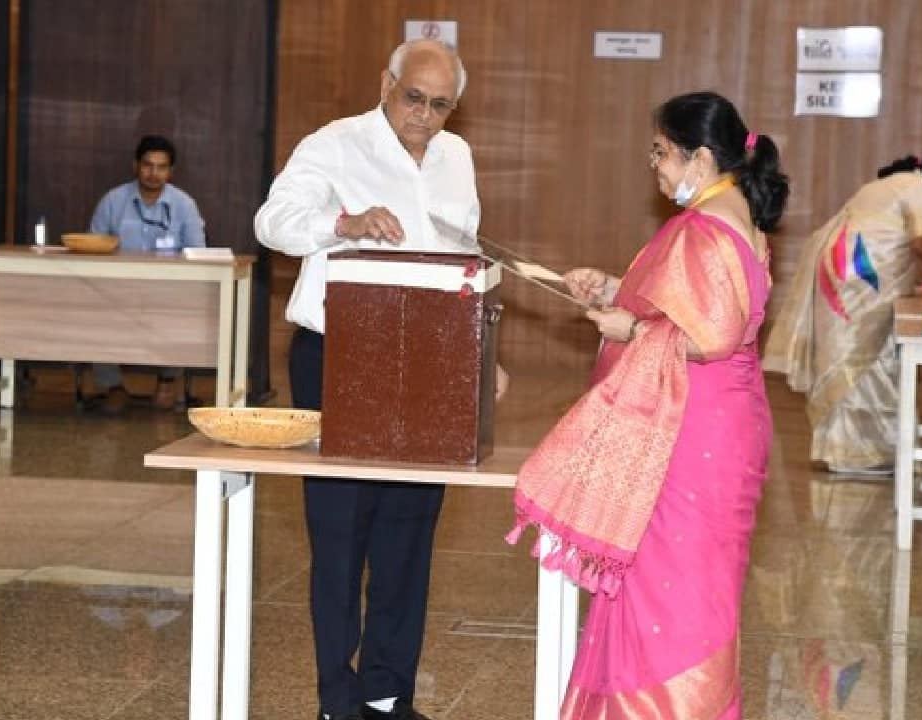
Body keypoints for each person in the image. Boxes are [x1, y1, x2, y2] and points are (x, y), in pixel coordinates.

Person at [507, 91, 788, 720]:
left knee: (671, 592)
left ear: (701, 157)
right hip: (720, 419)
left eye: (661, 153)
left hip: (693, 430)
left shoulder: (707, 228)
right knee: (687, 588)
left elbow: (712, 336)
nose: (653, 166)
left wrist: (630, 330)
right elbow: (692, 307)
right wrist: (615, 288)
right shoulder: (736, 216)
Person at [254, 40, 506, 720]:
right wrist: (345, 223)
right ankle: (337, 701)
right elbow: (271, 222)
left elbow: (465, 254)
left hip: (429, 360)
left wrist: (481, 352)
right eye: (412, 97)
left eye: (440, 105)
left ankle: (388, 694)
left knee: (409, 532)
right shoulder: (335, 144)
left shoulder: (457, 157)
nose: (423, 115)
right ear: (386, 83)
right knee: (342, 532)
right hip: (340, 353)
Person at [763, 151, 922, 474]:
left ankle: (869, 450)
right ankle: (851, 455)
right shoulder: (917, 190)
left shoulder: (894, 183)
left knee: (874, 356)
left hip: (847, 270)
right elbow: (921, 247)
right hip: (859, 275)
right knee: (857, 360)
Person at [87, 135, 206, 413]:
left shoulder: (184, 205)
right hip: (117, 290)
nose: (154, 173)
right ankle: (113, 386)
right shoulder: (113, 201)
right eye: (148, 165)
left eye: (161, 167)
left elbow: (198, 254)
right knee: (94, 311)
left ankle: (167, 381)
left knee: (183, 313)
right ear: (136, 166)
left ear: (171, 171)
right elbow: (92, 248)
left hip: (169, 292)